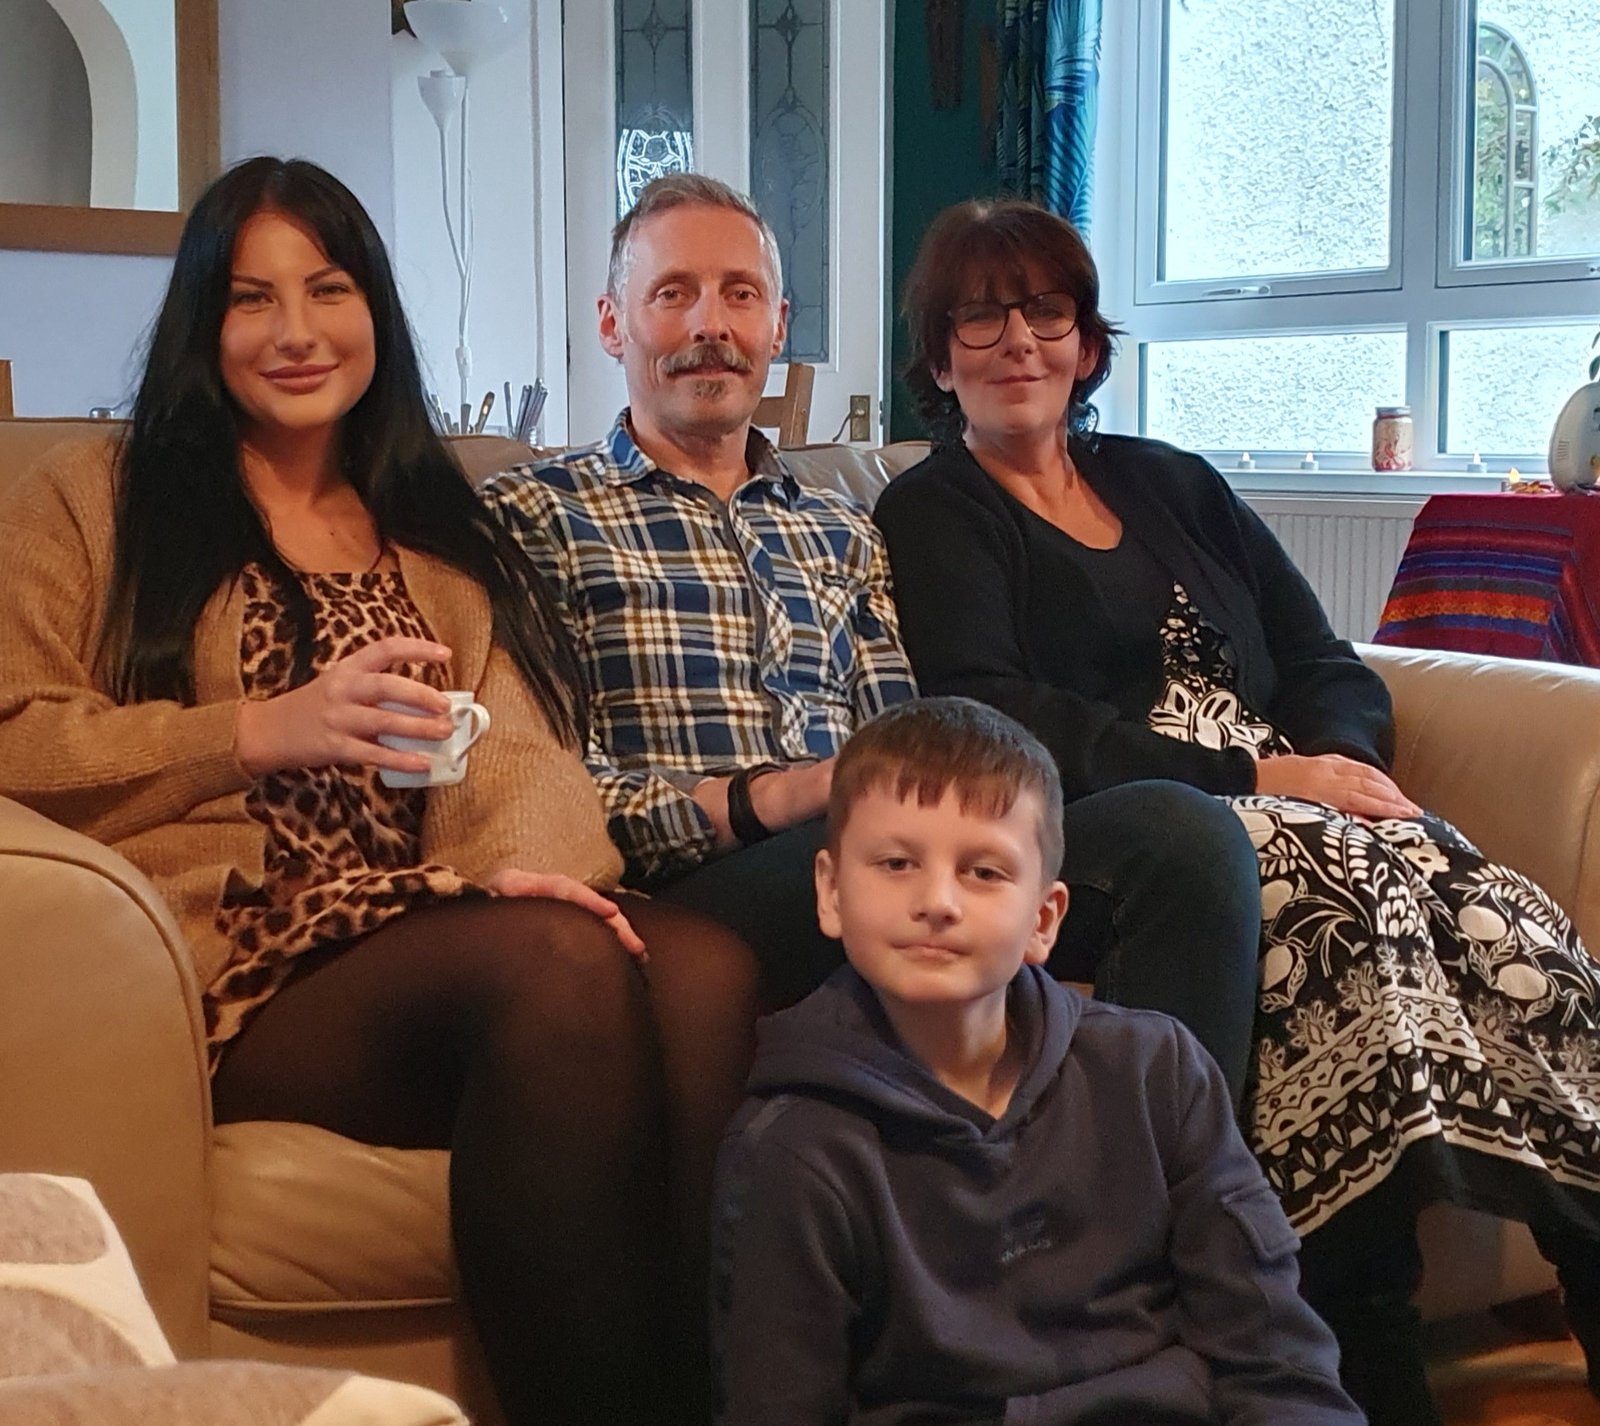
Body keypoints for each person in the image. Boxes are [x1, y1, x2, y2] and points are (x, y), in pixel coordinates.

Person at [0, 157, 758, 1426]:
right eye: (251, 299)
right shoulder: (90, 499)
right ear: (201, 322)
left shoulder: (431, 527)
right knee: (555, 968)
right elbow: (17, 737)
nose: (295, 331)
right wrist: (254, 731)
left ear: (374, 311)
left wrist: (518, 873)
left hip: (416, 919)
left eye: (329, 289)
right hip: (229, 955)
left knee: (702, 969)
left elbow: (514, 751)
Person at [876, 195, 1600, 1426]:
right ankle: (1364, 1358)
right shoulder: (933, 511)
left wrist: (1340, 767)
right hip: (1142, 822)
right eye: (978, 319)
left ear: (1086, 341)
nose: (1017, 341)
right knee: (1349, 932)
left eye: (1043, 310)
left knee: (1518, 932)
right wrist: (1264, 785)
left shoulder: (1173, 481)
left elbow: (1322, 660)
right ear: (939, 360)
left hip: (1301, 798)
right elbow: (999, 714)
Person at [483, 172, 1265, 1104]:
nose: (710, 326)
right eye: (673, 294)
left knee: (1183, 837)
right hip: (701, 878)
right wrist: (758, 800)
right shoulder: (531, 514)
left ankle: (1169, 1185)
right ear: (614, 324)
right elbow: (537, 780)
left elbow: (910, 731)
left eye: (741, 295)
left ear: (778, 325)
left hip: (878, 843)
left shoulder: (843, 527)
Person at [710, 697, 1363, 1426]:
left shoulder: (1159, 1071)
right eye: (896, 863)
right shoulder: (792, 1152)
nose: (938, 902)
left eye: (984, 872)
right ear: (831, 892)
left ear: (1043, 920)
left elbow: (1272, 1347)